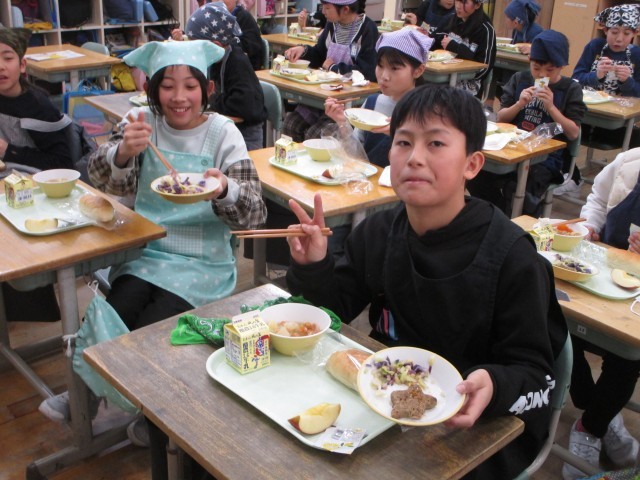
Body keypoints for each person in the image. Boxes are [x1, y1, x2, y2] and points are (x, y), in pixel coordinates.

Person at [284, 85, 567, 479]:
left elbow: (537, 375)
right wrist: (314, 265)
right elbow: (334, 315)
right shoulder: (379, 232)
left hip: (473, 429)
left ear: (472, 164)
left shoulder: (513, 258)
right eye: (403, 142)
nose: (414, 157)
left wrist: (495, 383)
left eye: (435, 143)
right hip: (383, 406)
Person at [39, 40, 267, 433]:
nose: (179, 97)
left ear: (208, 89)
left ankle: (151, 411)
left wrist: (224, 188)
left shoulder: (223, 133)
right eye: (168, 86)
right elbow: (101, 179)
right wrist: (122, 153)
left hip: (204, 262)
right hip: (147, 252)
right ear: (153, 88)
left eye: (190, 86)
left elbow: (255, 212)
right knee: (116, 312)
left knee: (153, 329)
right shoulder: (141, 123)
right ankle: (91, 392)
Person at [562, 147, 640, 480]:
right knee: (560, 329)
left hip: (635, 307)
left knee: (629, 356)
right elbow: (597, 198)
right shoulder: (629, 163)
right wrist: (591, 227)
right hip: (600, 277)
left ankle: (591, 426)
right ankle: (600, 411)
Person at [0, 27, 75, 324]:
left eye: (7, 58)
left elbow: (62, 165)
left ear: (22, 65)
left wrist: (9, 150)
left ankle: (28, 309)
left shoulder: (38, 106)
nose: (0, 67)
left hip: (34, 188)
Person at [468, 30, 586, 217]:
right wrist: (519, 104)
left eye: (549, 71)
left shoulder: (571, 89)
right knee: (474, 171)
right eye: (536, 68)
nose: (541, 75)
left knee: (523, 186)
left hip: (547, 158)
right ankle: (498, 216)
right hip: (512, 149)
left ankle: (514, 221)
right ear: (530, 61)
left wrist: (551, 107)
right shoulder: (520, 79)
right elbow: (501, 119)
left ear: (562, 67)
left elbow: (573, 133)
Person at [324, 28, 432, 168]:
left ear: (418, 71)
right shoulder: (372, 102)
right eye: (380, 66)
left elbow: (430, 165)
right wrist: (342, 122)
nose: (384, 76)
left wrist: (400, 135)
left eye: (394, 68)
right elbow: (357, 157)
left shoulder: (427, 112)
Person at [564, 3, 640, 196]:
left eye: (626, 33)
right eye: (614, 32)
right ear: (605, 30)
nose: (619, 38)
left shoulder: (636, 55)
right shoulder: (595, 47)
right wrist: (595, 75)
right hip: (586, 115)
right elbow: (575, 78)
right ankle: (572, 177)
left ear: (634, 33)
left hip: (618, 124)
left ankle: (622, 188)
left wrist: (628, 82)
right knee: (561, 127)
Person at [282, 0, 379, 142]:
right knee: (290, 125)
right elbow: (320, 54)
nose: (323, 12)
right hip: (323, 97)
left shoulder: (367, 29)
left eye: (327, 8)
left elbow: (368, 72)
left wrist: (334, 67)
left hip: (347, 102)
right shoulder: (332, 25)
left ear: (345, 9)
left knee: (315, 135)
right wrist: (304, 50)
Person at [178, 2, 267, 150]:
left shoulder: (237, 62)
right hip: (223, 131)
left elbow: (244, 106)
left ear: (216, 45)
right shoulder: (213, 60)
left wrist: (211, 101)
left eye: (196, 44)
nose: (193, 49)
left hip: (244, 139)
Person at [430, 0, 496, 98]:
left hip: (469, 86)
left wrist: (455, 47)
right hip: (444, 77)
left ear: (477, 5)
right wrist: (424, 36)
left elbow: (484, 68)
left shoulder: (485, 30)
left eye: (464, 2)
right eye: (457, 1)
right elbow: (433, 41)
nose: (458, 6)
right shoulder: (451, 19)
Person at [222, 0, 265, 70]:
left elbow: (252, 48)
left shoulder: (244, 17)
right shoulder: (214, 17)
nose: (221, 1)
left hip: (245, 66)